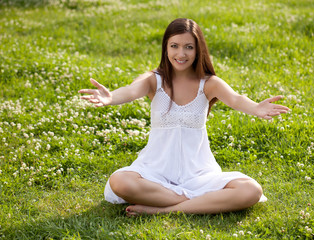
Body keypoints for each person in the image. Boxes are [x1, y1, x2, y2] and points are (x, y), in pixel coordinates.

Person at [78, 18, 289, 216]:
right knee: (120, 181)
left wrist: (256, 108)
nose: (181, 53)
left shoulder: (208, 83)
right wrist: (112, 97)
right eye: (174, 46)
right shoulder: (154, 80)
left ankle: (163, 209)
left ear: (198, 50)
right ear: (166, 48)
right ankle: (196, 202)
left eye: (189, 47)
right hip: (154, 173)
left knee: (251, 190)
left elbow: (235, 98)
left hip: (199, 175)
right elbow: (131, 90)